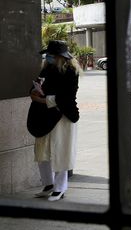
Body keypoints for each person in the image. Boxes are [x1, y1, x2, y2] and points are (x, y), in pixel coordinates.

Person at [30, 40, 81, 201]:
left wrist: (44, 100)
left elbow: (68, 96)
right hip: (44, 115)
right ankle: (48, 184)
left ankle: (60, 188)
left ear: (60, 57)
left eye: (51, 55)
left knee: (60, 151)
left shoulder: (71, 71)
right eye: (48, 55)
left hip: (63, 115)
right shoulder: (46, 69)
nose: (48, 57)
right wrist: (33, 92)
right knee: (42, 150)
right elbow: (36, 85)